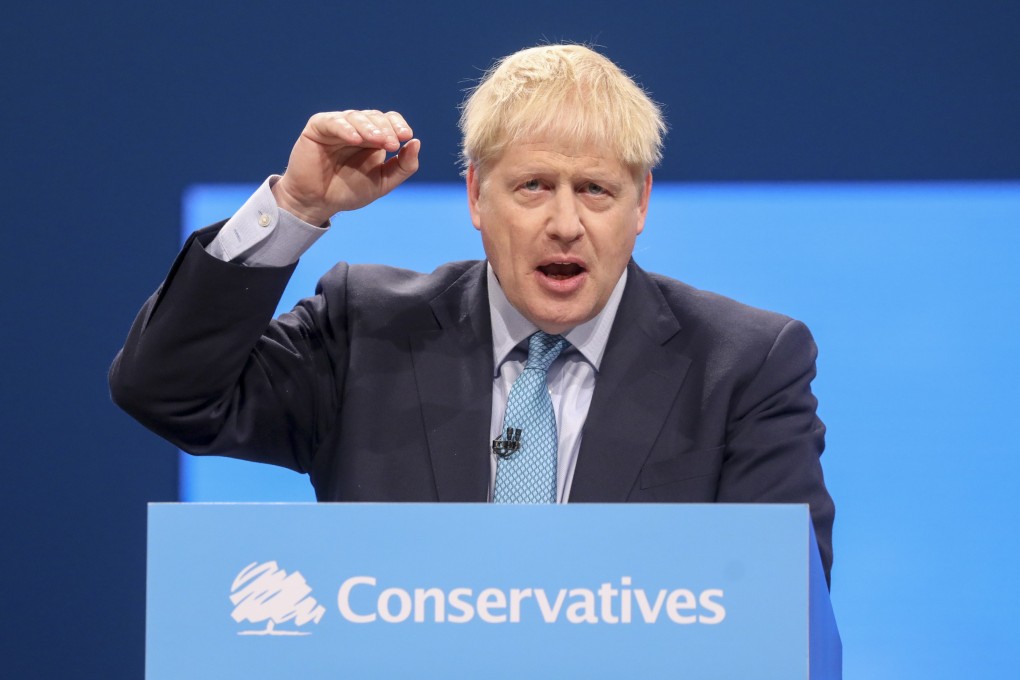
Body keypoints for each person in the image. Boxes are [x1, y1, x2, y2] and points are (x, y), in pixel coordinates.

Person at [110, 44, 834, 581]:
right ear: (475, 197)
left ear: (640, 203)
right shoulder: (368, 329)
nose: (565, 223)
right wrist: (295, 209)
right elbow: (171, 393)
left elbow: (776, 611)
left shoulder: (744, 367)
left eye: (595, 191)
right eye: (532, 186)